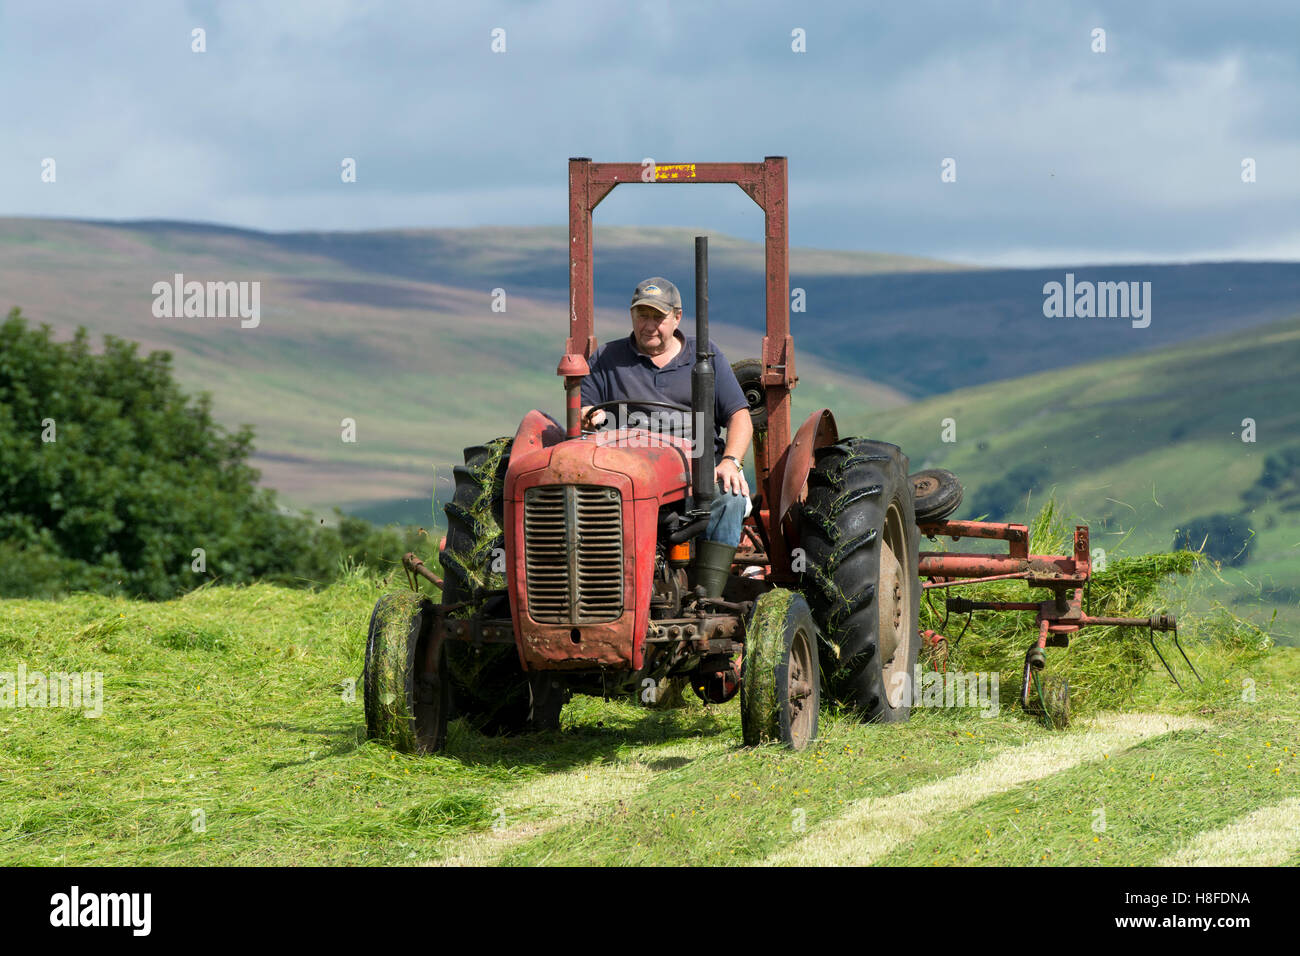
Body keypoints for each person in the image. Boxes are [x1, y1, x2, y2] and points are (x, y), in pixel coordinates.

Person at [579, 277, 753, 597]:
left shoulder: (705, 356)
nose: (649, 326)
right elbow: (584, 408)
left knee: (729, 497)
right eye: (642, 316)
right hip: (629, 469)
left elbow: (739, 415)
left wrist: (730, 461)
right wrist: (589, 416)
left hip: (697, 466)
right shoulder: (607, 358)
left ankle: (708, 599)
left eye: (657, 317)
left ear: (677, 317)